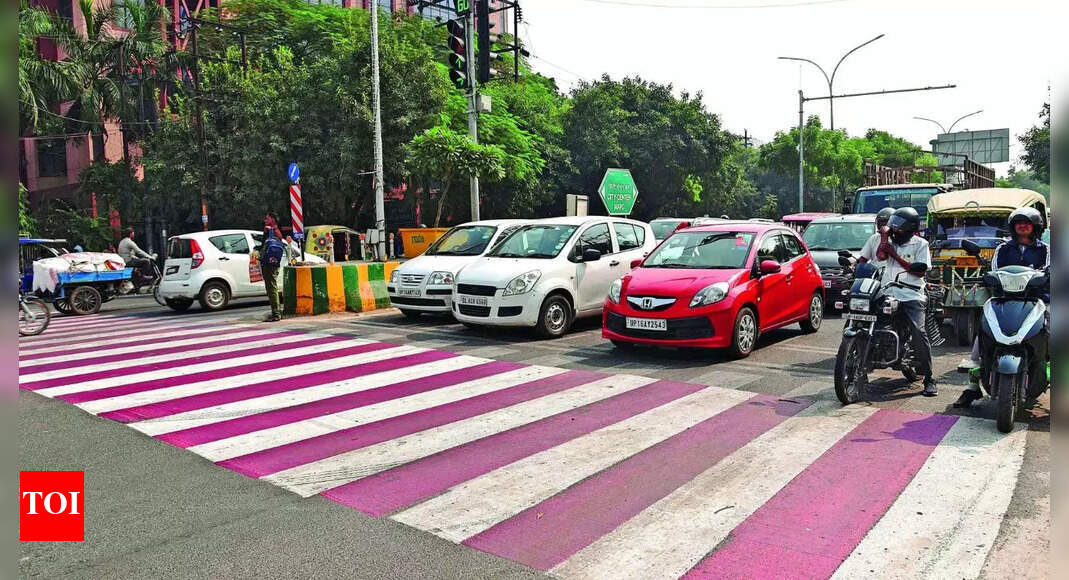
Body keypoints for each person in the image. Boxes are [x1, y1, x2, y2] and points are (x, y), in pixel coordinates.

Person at [954, 207, 1050, 408]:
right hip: (1004, 299)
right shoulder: (1003, 249)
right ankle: (972, 387)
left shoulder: (1046, 250)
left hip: (1039, 299)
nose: (1022, 226)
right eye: (1018, 223)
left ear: (1036, 227)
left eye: (1027, 223)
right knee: (984, 332)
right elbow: (994, 271)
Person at [878, 207, 937, 396]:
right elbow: (880, 256)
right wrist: (884, 238)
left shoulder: (921, 244)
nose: (895, 230)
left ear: (910, 228)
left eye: (899, 227)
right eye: (893, 226)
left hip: (912, 294)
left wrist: (895, 255)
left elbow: (919, 271)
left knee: (918, 332)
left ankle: (929, 378)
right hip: (888, 290)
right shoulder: (889, 241)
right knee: (865, 316)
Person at [259, 216, 285, 322]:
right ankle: (276, 312)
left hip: (270, 264)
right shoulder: (276, 232)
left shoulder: (273, 232)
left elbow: (264, 245)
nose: (265, 220)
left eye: (267, 218)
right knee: (271, 288)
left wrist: (267, 232)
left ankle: (276, 314)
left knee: (272, 288)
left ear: (273, 219)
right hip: (272, 262)